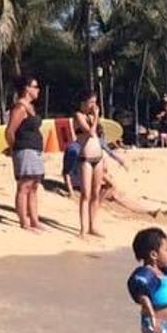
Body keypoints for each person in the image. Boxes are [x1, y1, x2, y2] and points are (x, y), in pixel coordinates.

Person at [3, 76, 44, 232]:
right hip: (24, 149)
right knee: (24, 185)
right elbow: (9, 131)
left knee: (34, 185)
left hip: (34, 149)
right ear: (27, 88)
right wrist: (14, 148)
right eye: (35, 86)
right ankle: (24, 222)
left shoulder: (31, 107)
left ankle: (34, 220)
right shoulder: (20, 108)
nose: (38, 89)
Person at [73, 91, 105, 239]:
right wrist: (96, 116)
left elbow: (98, 134)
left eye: (95, 102)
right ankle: (83, 228)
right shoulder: (78, 116)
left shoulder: (92, 117)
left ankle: (93, 225)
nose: (93, 105)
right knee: (85, 193)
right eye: (91, 102)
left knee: (96, 193)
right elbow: (90, 132)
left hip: (98, 157)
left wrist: (96, 118)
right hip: (85, 158)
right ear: (83, 103)